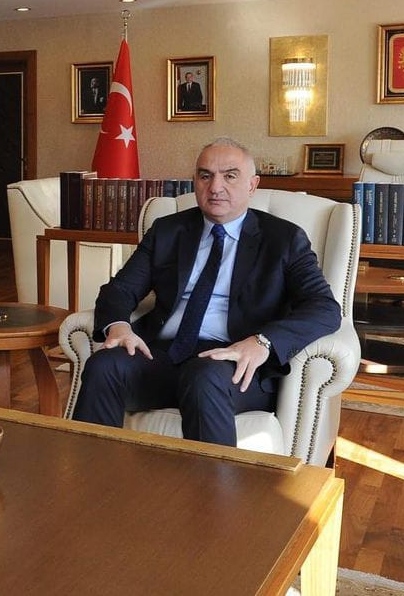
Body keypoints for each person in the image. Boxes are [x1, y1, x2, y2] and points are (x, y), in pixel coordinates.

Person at [71, 139, 341, 446]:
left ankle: (215, 480)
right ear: (195, 181)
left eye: (230, 176)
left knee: (203, 377)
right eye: (205, 176)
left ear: (252, 185)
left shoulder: (284, 239)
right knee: (104, 366)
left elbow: (324, 308)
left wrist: (262, 342)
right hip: (164, 355)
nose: (215, 187)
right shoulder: (167, 231)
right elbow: (120, 289)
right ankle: (94, 473)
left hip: (232, 362)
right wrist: (119, 326)